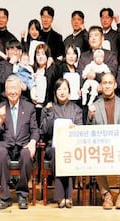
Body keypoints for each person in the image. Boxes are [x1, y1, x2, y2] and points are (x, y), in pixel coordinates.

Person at [0, 74, 40, 210]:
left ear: (20, 89)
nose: (12, 92)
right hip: (5, 145)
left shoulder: (29, 108)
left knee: (26, 154)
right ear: (5, 91)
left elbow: (35, 130)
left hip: (23, 144)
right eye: (9, 89)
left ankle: (22, 195)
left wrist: (33, 142)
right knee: (0, 153)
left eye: (15, 88)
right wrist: (1, 120)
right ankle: (5, 196)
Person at [87, 71, 120, 210]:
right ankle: (106, 194)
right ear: (100, 86)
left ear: (115, 85)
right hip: (102, 146)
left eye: (110, 83)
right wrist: (90, 117)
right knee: (95, 156)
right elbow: (89, 131)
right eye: (104, 83)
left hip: (119, 145)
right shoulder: (95, 105)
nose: (107, 86)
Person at [40, 78, 83, 208]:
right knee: (57, 151)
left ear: (69, 92)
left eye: (65, 89)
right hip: (53, 146)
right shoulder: (49, 108)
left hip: (71, 146)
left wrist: (75, 128)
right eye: (59, 89)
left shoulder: (76, 109)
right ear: (55, 92)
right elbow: (44, 131)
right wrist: (48, 114)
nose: (62, 92)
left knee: (69, 153)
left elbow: (81, 130)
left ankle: (68, 196)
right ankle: (60, 195)